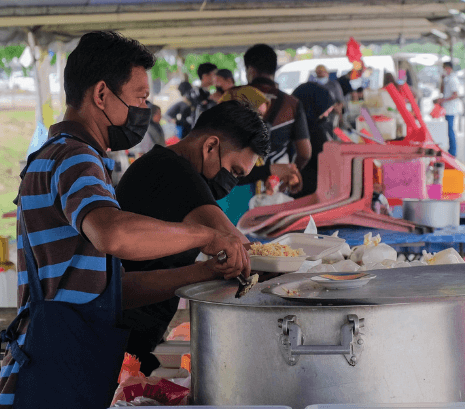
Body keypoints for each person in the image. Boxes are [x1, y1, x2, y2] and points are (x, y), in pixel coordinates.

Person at [0, 32, 249, 409]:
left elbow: (110, 291)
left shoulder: (59, 155)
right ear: (101, 95)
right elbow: (113, 234)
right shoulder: (75, 158)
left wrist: (203, 273)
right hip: (52, 376)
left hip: (59, 363)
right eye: (141, 98)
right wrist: (203, 236)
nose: (145, 109)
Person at [115, 100, 270, 374]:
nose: (231, 182)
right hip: (117, 337)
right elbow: (246, 254)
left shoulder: (162, 164)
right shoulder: (175, 174)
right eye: (234, 171)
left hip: (128, 334)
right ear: (210, 146)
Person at [243, 44, 311, 187]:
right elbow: (305, 153)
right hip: (276, 182)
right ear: (274, 69)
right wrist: (290, 174)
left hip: (240, 184)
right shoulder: (292, 103)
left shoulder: (233, 99)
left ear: (250, 70)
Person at [291, 82, 336, 197]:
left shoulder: (318, 124)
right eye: (325, 108)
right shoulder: (311, 131)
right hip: (307, 192)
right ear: (312, 105)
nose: (328, 112)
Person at [438, 61, 460, 157]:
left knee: (450, 130)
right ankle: (451, 150)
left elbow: (455, 95)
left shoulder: (453, 80)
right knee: (448, 129)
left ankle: (453, 151)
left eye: (444, 68)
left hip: (451, 109)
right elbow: (442, 90)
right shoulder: (447, 79)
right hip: (447, 108)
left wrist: (444, 100)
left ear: (449, 68)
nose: (443, 70)